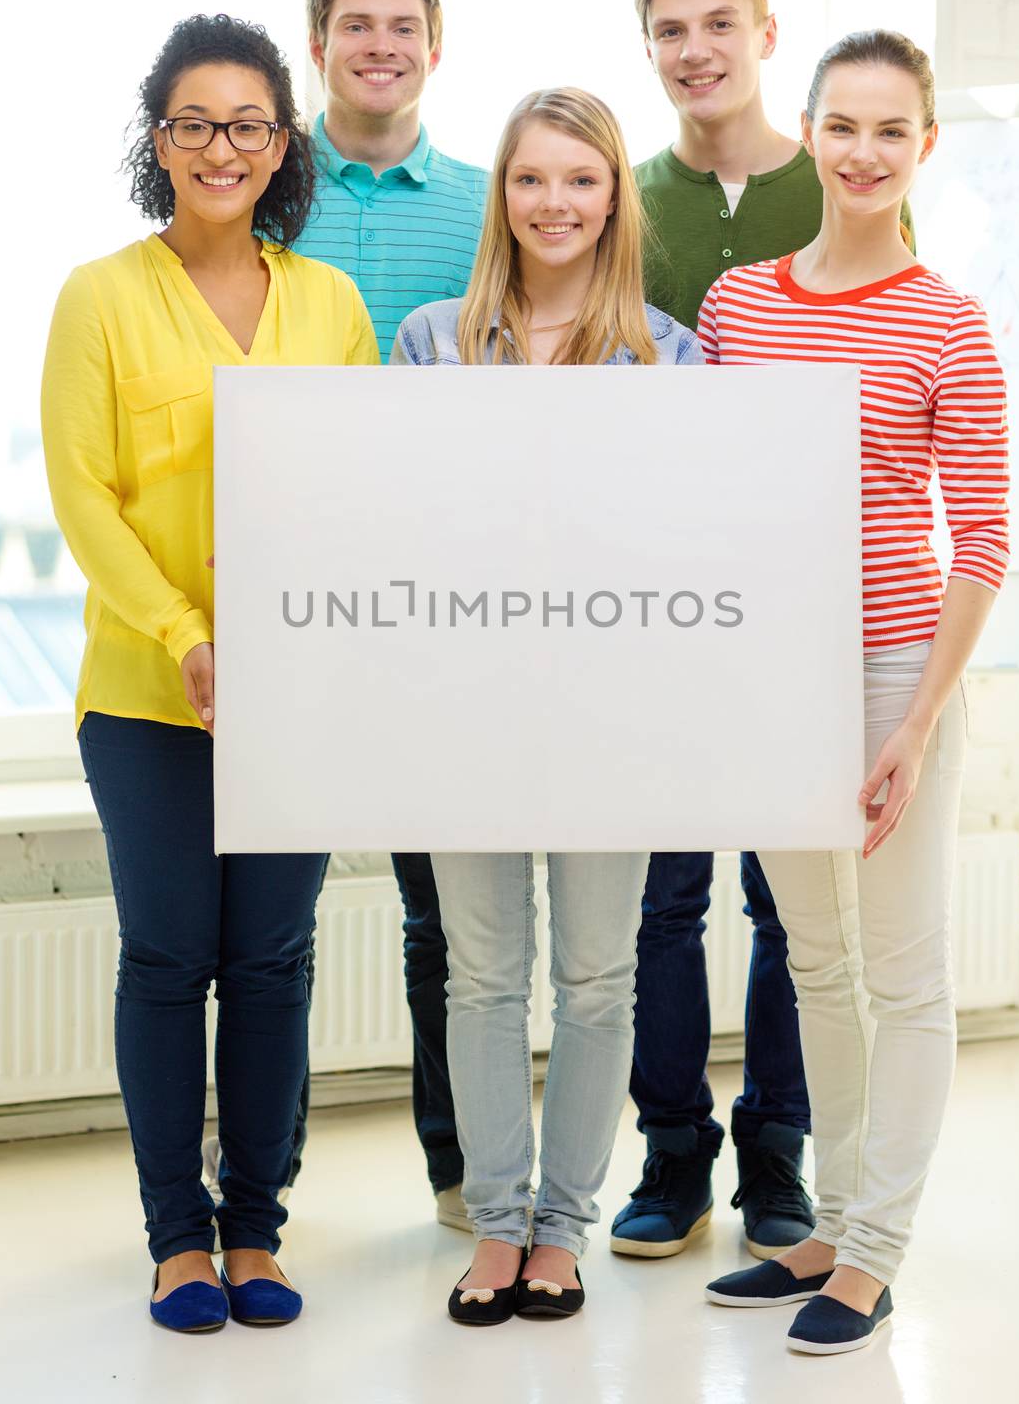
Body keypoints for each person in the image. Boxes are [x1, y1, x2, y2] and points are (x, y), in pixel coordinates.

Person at [41, 15, 378, 1334]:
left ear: (281, 142)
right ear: (158, 139)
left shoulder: (330, 304)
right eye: (193, 122)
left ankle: (256, 1230)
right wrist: (185, 632)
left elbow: (354, 496)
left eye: (246, 123)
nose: (220, 146)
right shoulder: (100, 297)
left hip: (299, 699)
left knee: (276, 961)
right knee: (169, 958)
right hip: (146, 696)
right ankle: (177, 1239)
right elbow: (85, 497)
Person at [702, 30, 1008, 1354]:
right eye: (843, 125)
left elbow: (979, 539)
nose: (863, 152)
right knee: (813, 965)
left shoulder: (948, 322)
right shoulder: (736, 308)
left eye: (891, 130)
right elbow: (699, 508)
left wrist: (914, 722)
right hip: (770, 671)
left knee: (901, 973)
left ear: (920, 147)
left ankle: (873, 1254)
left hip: (893, 673)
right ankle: (827, 1226)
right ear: (808, 132)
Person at [611, 0, 913, 1263]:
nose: (694, 52)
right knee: (663, 899)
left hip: (810, 619)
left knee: (790, 910)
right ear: (649, 52)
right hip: (664, 611)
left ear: (763, 35)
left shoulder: (842, 179)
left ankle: (774, 1162)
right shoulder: (623, 199)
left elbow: (904, 351)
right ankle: (670, 1155)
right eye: (669, 32)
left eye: (715, 25)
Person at [391, 87, 703, 1324]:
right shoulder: (428, 341)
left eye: (581, 179)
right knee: (479, 977)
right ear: (501, 197)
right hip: (461, 707)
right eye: (532, 179)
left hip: (607, 714)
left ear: (614, 196)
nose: (555, 203)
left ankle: (560, 1229)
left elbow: (682, 543)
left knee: (595, 979)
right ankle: (493, 1220)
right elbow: (404, 526)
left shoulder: (664, 354)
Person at [282, 0, 487, 1227]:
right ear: (318, 45)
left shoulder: (483, 201)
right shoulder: (256, 184)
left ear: (432, 45)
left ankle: (458, 1167)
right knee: (271, 916)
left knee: (440, 914)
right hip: (285, 581)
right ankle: (261, 1189)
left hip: (438, 598)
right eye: (355, 25)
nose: (379, 45)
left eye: (401, 26)